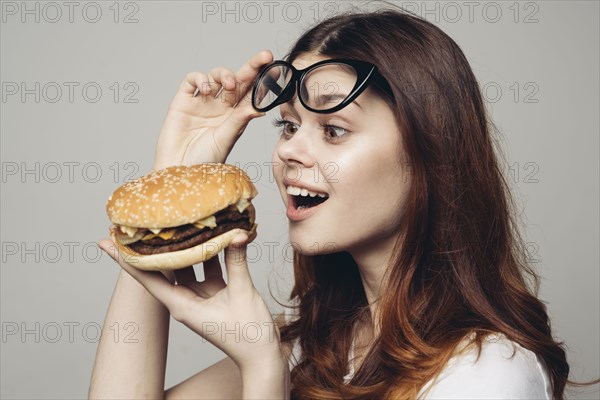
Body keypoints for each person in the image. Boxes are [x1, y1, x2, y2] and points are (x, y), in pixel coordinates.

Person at [89, 5, 598, 399]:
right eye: (288, 125)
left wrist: (263, 373)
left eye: (333, 129)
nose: (288, 150)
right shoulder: (322, 346)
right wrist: (170, 182)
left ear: (429, 153)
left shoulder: (489, 373)